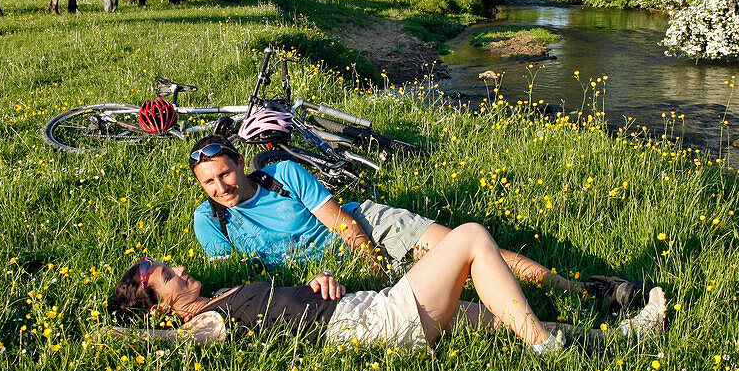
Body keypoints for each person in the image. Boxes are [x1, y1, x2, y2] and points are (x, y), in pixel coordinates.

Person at [188, 134, 645, 309]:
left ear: (240, 163)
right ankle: (541, 319)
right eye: (209, 182)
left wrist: (375, 265)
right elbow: (245, 278)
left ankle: (574, 289)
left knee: (467, 249)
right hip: (320, 278)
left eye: (225, 173)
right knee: (451, 289)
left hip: (368, 229)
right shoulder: (210, 222)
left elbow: (342, 225)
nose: (220, 187)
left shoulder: (283, 175)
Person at [109, 222, 668, 351]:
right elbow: (172, 345)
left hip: (364, 308)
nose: (180, 270)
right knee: (471, 237)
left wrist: (315, 281)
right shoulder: (202, 322)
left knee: (502, 315)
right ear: (161, 306)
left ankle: (624, 339)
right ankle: (546, 351)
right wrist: (116, 338)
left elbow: (281, 309)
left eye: (172, 266)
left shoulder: (223, 298)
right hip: (372, 323)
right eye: (168, 278)